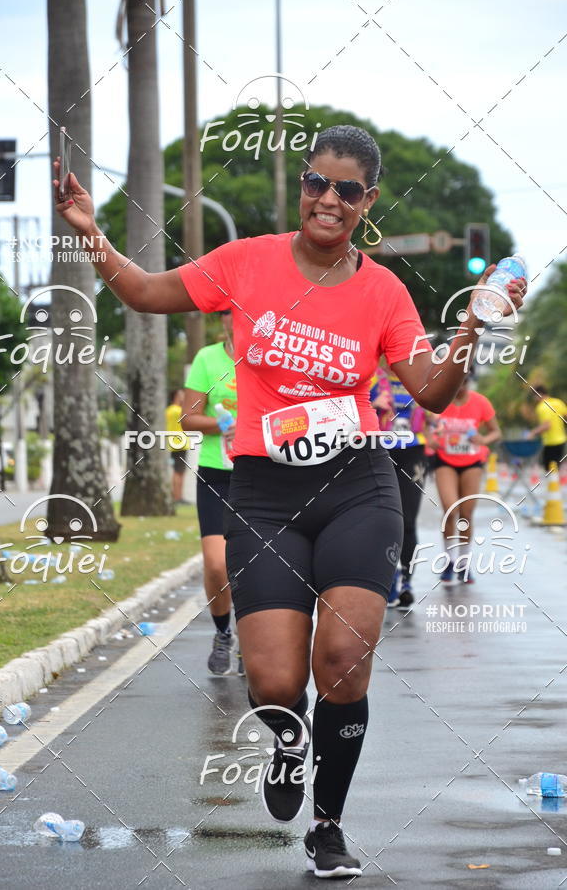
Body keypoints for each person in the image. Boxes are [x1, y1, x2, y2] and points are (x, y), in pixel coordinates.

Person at [54, 125, 526, 880]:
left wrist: (473, 323)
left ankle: (328, 827)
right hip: (263, 494)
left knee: (342, 662)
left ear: (368, 201)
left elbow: (433, 391)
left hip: (357, 487)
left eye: (347, 190)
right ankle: (287, 739)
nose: (328, 199)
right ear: (303, 186)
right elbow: (144, 292)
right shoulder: (246, 261)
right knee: (275, 683)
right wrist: (90, 234)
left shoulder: (384, 290)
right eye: (316, 183)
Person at [180, 310, 243, 676]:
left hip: (262, 474)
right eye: (229, 313)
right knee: (217, 564)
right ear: (222, 320)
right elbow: (188, 418)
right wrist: (222, 424)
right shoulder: (208, 358)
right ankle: (223, 633)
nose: (236, 319)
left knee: (257, 565)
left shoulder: (271, 356)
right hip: (217, 474)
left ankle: (253, 638)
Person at [429, 373, 501, 585]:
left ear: (469, 381)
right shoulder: (440, 400)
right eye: (457, 381)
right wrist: (431, 439)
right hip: (445, 460)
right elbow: (426, 423)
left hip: (472, 461)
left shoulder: (480, 402)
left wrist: (484, 439)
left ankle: (463, 563)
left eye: (465, 381)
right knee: (450, 509)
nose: (460, 386)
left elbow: (496, 432)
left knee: (466, 514)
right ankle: (449, 560)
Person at [370, 364, 430, 609]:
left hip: (413, 452)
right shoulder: (371, 375)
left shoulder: (420, 377)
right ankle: (388, 578)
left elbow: (435, 412)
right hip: (379, 450)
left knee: (407, 521)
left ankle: (406, 582)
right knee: (381, 520)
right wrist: (372, 405)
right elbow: (346, 409)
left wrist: (434, 418)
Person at [526, 384, 567, 471]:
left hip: (551, 442)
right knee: (556, 468)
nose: (534, 399)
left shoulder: (542, 407)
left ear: (539, 394)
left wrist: (533, 433)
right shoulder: (558, 402)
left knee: (549, 469)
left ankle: (553, 479)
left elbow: (547, 425)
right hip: (562, 440)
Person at [165, 388, 189, 503]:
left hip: (172, 443)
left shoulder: (168, 410)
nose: (184, 397)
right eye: (182, 395)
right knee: (179, 472)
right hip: (181, 444)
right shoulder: (179, 411)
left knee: (176, 470)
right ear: (177, 396)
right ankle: (178, 497)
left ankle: (176, 496)